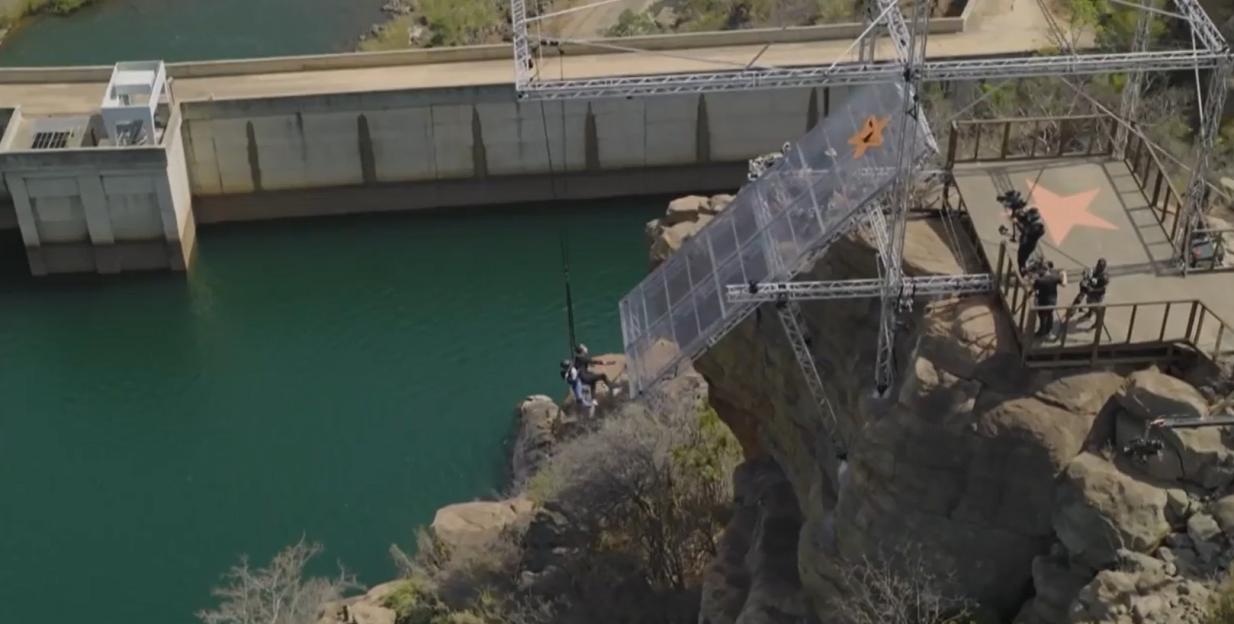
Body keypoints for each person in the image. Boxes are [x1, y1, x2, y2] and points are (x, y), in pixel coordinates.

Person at [1032, 261, 1067, 339]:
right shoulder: (1054, 277)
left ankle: (1041, 331)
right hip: (1052, 300)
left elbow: (1034, 288)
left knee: (1042, 316)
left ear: (1042, 270)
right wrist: (1064, 274)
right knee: (1050, 315)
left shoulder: (1040, 280)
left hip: (1042, 300)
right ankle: (1048, 332)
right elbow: (1064, 284)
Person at [1073, 258, 1110, 324]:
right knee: (1089, 303)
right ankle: (1089, 313)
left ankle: (1097, 323)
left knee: (1096, 308)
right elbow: (1091, 278)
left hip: (1098, 294)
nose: (1098, 267)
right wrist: (1085, 276)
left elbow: (1103, 288)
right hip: (1092, 292)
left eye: (1100, 266)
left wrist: (1094, 289)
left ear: (1103, 267)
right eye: (1098, 265)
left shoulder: (1104, 276)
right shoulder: (1096, 271)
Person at [1016, 207, 1046, 272]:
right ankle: (1023, 267)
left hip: (1028, 243)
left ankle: (1023, 270)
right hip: (1026, 241)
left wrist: (1017, 224)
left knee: (1022, 257)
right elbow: (1024, 219)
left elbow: (1026, 232)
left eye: (1030, 215)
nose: (1029, 216)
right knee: (1022, 256)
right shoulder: (1033, 220)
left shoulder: (1037, 226)